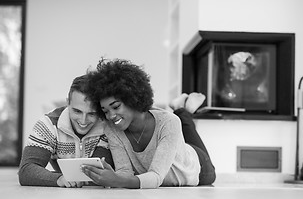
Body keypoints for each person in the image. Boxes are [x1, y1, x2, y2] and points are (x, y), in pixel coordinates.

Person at [81, 58, 216, 189]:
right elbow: (125, 173)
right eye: (105, 111)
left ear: (132, 98)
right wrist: (113, 176)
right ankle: (183, 108)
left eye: (116, 107)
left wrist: (117, 180)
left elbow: (156, 177)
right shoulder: (112, 128)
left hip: (196, 167)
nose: (110, 116)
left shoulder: (168, 122)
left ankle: (183, 110)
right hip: (174, 147)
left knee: (179, 127)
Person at [18, 75, 114, 187]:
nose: (83, 121)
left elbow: (99, 175)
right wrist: (59, 179)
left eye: (91, 114)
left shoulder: (107, 126)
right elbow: (26, 171)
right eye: (77, 111)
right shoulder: (48, 125)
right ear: (68, 102)